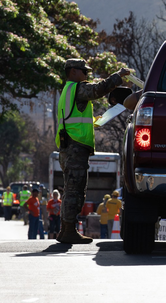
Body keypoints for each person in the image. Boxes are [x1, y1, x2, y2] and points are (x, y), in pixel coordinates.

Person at [55, 58, 130, 244]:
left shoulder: (68, 91)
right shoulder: (78, 88)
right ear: (73, 71)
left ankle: (66, 230)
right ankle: (68, 230)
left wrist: (97, 120)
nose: (87, 75)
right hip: (75, 147)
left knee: (71, 190)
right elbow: (99, 89)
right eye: (84, 71)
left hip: (69, 147)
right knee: (75, 191)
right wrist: (118, 76)